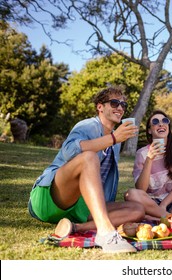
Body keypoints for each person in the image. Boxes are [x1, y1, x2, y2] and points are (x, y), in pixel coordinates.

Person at [28, 87, 145, 253]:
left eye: (123, 105)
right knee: (89, 157)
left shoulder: (117, 141)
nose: (120, 108)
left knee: (137, 209)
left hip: (81, 208)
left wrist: (115, 139)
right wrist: (113, 138)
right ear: (100, 107)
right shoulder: (88, 126)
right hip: (51, 200)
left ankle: (76, 227)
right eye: (114, 103)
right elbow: (69, 151)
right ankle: (105, 232)